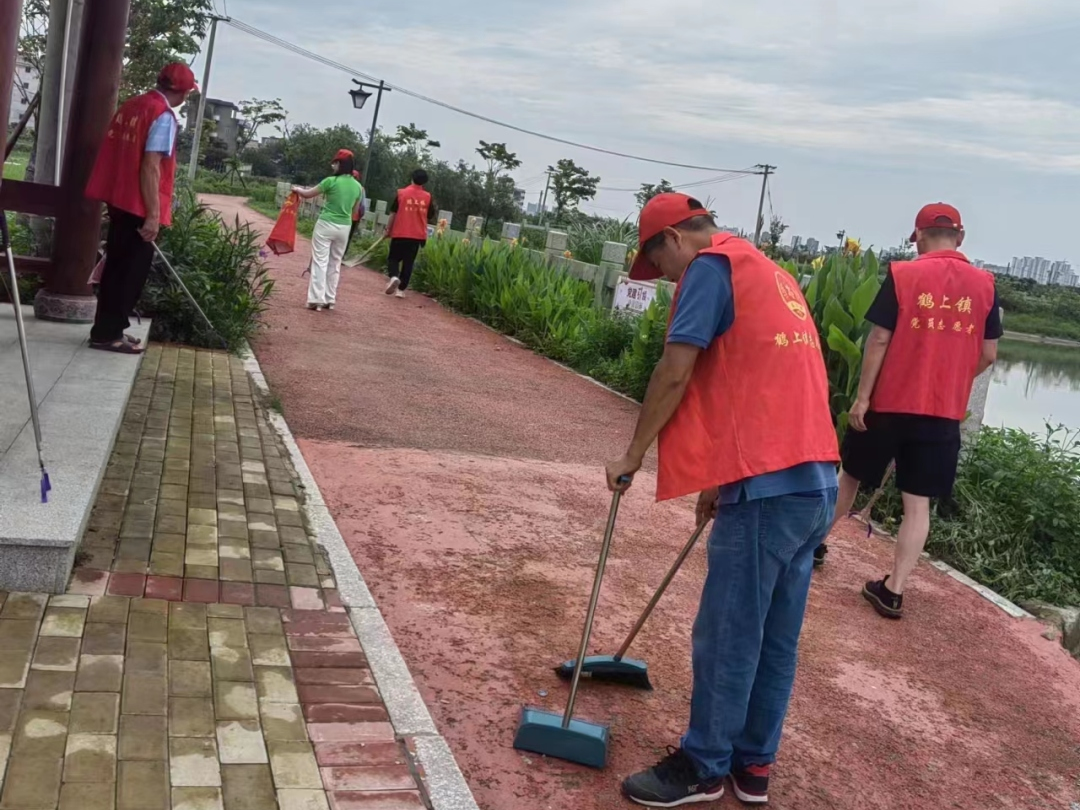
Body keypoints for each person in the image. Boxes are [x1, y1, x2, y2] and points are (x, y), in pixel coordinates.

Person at [605, 194, 839, 807]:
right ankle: (752, 766)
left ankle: (704, 764)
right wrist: (718, 479)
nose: (667, 280)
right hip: (814, 480)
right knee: (775, 636)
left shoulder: (710, 268)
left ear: (676, 239)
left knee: (730, 631)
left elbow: (677, 370)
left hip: (768, 487)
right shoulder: (770, 271)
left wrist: (632, 455)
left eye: (661, 267)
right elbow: (757, 381)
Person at [820, 203, 1001, 619]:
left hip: (888, 403)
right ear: (961, 236)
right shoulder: (986, 286)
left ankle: (812, 547)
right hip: (941, 413)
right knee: (917, 505)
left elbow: (879, 340)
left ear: (917, 236)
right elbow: (989, 353)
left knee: (849, 478)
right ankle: (893, 591)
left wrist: (862, 398)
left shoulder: (904, 275)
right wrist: (954, 379)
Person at [84, 62, 198, 354]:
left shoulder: (133, 105)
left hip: (119, 197)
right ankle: (107, 334)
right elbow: (150, 167)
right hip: (138, 203)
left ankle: (111, 328)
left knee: (117, 267)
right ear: (183, 92)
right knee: (129, 273)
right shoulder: (163, 116)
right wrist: (153, 215)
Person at [292, 149, 362, 311]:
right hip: (344, 226)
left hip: (326, 224)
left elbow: (308, 194)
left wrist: (297, 189)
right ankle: (330, 299)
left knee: (320, 261)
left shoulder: (330, 181)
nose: (333, 166)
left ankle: (316, 299)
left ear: (340, 164)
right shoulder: (358, 187)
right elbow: (355, 211)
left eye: (335, 163)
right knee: (335, 262)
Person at [383, 169, 435, 299]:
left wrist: (388, 229)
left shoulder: (402, 193)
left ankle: (394, 277)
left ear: (412, 178)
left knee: (393, 258)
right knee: (409, 262)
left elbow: (393, 213)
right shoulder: (427, 197)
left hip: (400, 232)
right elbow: (430, 215)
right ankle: (401, 290)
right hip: (416, 235)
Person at [348, 169, 365, 245]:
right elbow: (363, 205)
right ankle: (343, 254)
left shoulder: (344, 186)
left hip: (343, 214)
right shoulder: (361, 189)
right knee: (349, 236)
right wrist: (360, 215)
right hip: (354, 217)